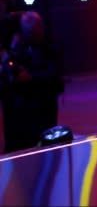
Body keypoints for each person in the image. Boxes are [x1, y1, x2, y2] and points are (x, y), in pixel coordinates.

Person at [0, 11, 65, 152]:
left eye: (36, 32)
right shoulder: (16, 49)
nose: (34, 36)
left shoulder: (50, 47)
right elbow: (8, 78)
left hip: (42, 112)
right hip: (18, 118)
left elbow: (56, 78)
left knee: (45, 149)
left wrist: (32, 78)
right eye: (30, 33)